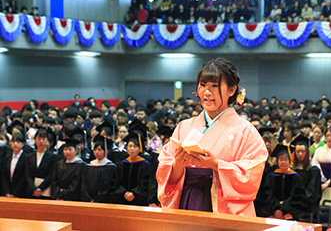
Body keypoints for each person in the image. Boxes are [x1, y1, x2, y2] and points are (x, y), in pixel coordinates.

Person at [157, 58, 268, 216]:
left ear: (231, 90)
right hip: (186, 201)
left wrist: (217, 165)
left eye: (215, 86)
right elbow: (165, 172)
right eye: (203, 85)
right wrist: (178, 166)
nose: (207, 92)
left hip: (219, 207)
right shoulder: (184, 126)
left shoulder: (245, 131)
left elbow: (251, 176)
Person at [254, 145, 306, 220]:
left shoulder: (296, 177)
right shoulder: (271, 177)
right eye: (281, 160)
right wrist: (275, 209)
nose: (283, 162)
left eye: (285, 160)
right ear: (277, 162)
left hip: (289, 212)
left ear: (290, 161)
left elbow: (297, 197)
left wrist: (283, 209)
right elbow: (266, 196)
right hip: (272, 211)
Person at [114, 132, 151, 205]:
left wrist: (134, 193)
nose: (132, 149)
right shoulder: (121, 164)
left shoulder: (145, 165)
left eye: (135, 146)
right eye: (130, 146)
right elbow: (116, 183)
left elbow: (145, 185)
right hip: (122, 200)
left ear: (139, 148)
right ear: (127, 148)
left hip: (138, 201)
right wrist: (123, 192)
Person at [26, 128, 61, 199]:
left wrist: (40, 188)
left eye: (43, 139)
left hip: (46, 191)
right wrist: (34, 189)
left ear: (47, 140)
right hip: (31, 191)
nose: (41, 141)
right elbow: (27, 174)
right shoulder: (30, 156)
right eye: (39, 139)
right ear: (35, 140)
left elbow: (51, 175)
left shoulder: (53, 157)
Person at [292, 137, 322, 222]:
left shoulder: (313, 170)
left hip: (307, 209)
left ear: (307, 152)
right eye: (298, 151)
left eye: (303, 151)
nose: (300, 154)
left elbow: (312, 195)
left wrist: (298, 204)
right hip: (293, 208)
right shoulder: (292, 170)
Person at [81, 135, 117, 203]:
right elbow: (84, 184)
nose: (96, 152)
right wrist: (88, 199)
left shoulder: (110, 167)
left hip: (104, 202)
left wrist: (97, 200)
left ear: (106, 151)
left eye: (99, 150)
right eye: (95, 150)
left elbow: (107, 187)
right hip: (88, 201)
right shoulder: (88, 166)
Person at [2, 133, 27, 198]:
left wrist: (15, 194)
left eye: (18, 142)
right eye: (13, 142)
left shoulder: (26, 158)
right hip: (7, 193)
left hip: (21, 193)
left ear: (23, 144)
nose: (15, 144)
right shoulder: (7, 157)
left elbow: (24, 177)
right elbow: (3, 175)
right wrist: (7, 192)